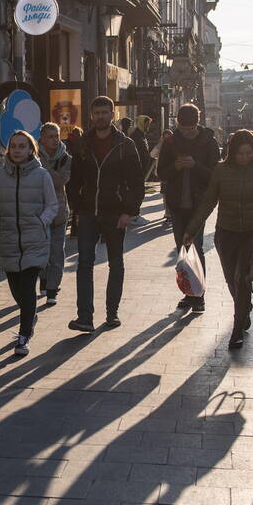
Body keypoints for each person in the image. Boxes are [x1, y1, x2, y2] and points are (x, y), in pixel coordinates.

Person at [182, 129, 253, 349]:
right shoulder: (221, 170)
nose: (244, 158)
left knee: (242, 277)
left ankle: (237, 328)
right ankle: (244, 308)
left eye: (248, 154)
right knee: (230, 277)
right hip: (226, 232)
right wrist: (192, 229)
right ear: (232, 152)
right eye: (240, 154)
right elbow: (209, 201)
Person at [66, 95, 145, 332]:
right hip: (89, 212)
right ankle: (85, 317)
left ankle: (112, 313)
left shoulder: (125, 145)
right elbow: (74, 181)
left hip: (115, 213)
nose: (100, 117)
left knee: (116, 263)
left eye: (105, 112)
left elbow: (137, 183)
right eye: (96, 113)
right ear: (92, 115)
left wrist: (128, 211)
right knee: (84, 264)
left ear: (113, 114)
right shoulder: (83, 144)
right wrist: (77, 209)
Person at [0, 131, 59, 356]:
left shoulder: (42, 175)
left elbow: (53, 206)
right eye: (13, 146)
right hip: (9, 242)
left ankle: (23, 336)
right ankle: (29, 313)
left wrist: (40, 222)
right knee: (17, 291)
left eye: (22, 146)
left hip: (34, 241)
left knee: (27, 287)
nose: (16, 150)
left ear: (30, 149)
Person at [158, 103, 221, 313]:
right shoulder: (170, 142)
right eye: (184, 129)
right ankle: (188, 292)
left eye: (191, 129)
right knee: (182, 249)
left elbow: (215, 175)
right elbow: (161, 173)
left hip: (199, 204)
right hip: (177, 203)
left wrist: (195, 166)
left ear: (198, 122)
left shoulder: (209, 142)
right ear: (178, 124)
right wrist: (175, 166)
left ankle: (199, 295)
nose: (188, 133)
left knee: (196, 246)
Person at [37, 122, 71, 305]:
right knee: (42, 252)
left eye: (57, 136)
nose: (55, 140)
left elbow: (61, 181)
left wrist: (43, 170)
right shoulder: (32, 155)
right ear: (42, 138)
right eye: (50, 136)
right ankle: (43, 278)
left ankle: (52, 289)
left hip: (58, 212)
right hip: (39, 212)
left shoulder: (65, 158)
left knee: (57, 252)